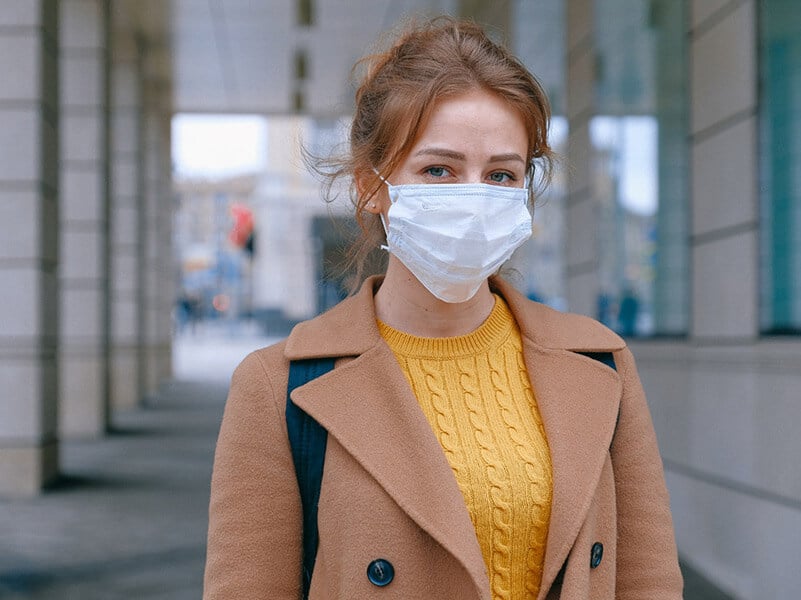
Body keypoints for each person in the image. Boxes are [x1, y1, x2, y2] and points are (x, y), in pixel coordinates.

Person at [203, 17, 683, 600]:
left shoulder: (600, 363)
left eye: (501, 174)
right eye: (439, 170)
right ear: (371, 185)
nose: (474, 198)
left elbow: (648, 581)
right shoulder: (278, 385)